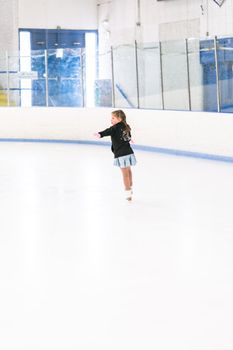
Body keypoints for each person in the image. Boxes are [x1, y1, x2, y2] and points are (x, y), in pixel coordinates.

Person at [94, 109, 136, 201]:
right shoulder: (126, 126)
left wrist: (100, 134)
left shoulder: (115, 127)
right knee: (129, 171)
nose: (111, 120)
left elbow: (107, 131)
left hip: (121, 154)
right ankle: (130, 187)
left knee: (125, 174)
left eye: (113, 118)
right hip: (129, 152)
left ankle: (128, 193)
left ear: (119, 119)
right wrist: (130, 139)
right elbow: (127, 136)